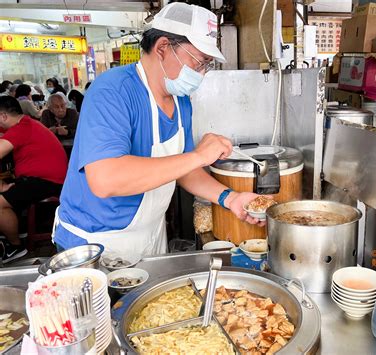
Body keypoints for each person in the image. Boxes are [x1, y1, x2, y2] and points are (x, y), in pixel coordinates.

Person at [53, 2, 263, 256]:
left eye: (207, 65)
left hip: (149, 238)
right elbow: (105, 179)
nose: (202, 73)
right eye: (199, 62)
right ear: (163, 47)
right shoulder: (113, 91)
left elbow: (184, 170)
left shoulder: (180, 99)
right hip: (94, 244)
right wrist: (198, 155)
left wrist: (230, 198)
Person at [0, 96, 68, 263]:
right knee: (9, 187)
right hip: (42, 179)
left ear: (3, 116)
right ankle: (16, 229)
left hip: (48, 182)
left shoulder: (21, 128)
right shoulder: (26, 123)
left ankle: (16, 247)